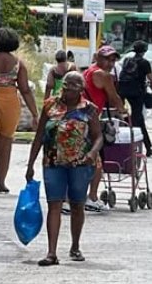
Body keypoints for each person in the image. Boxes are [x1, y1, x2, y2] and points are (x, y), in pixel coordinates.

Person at [26, 71, 102, 266]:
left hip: (80, 164)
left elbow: (98, 137)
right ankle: (51, 252)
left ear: (81, 90)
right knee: (54, 204)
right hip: (53, 162)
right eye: (65, 86)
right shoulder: (50, 105)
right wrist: (30, 163)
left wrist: (92, 153)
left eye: (72, 87)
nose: (67, 90)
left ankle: (75, 246)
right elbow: (40, 134)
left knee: (77, 204)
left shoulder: (89, 110)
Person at [0, 29, 39, 197]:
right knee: (6, 142)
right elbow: (25, 90)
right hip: (11, 102)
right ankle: (2, 182)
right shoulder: (18, 63)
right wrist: (35, 113)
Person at [83, 45, 125, 213]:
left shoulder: (89, 71)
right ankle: (92, 197)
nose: (110, 63)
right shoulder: (103, 75)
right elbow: (114, 98)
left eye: (113, 60)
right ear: (98, 58)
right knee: (96, 160)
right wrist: (122, 111)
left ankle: (69, 197)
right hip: (89, 119)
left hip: (80, 117)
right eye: (107, 59)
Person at [116, 41, 152, 157]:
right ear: (144, 51)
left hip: (123, 92)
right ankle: (144, 146)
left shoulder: (127, 61)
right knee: (138, 120)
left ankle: (142, 146)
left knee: (126, 119)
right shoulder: (144, 63)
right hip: (136, 93)